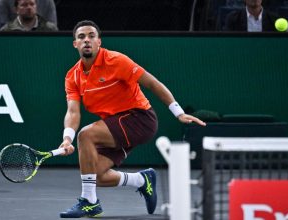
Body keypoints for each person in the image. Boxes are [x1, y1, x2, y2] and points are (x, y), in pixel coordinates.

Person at [57, 20, 206, 218]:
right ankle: (142, 180)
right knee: (97, 175)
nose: (87, 40)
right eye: (81, 37)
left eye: (91, 36)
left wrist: (178, 112)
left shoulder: (116, 60)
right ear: (75, 44)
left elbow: (152, 83)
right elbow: (73, 112)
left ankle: (89, 202)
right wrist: (67, 138)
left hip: (139, 118)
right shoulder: (72, 77)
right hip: (114, 124)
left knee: (86, 136)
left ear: (99, 42)